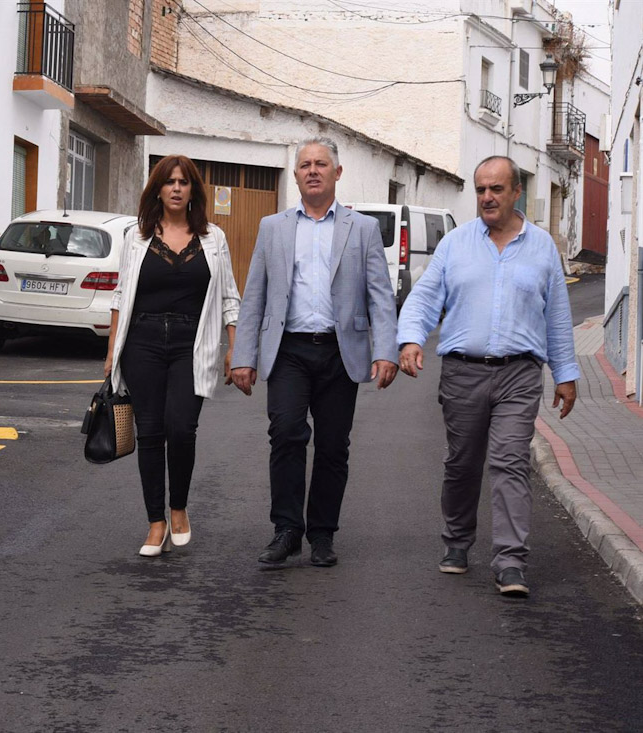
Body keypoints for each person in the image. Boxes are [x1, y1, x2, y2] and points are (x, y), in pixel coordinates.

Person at [397, 155, 579, 598]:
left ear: (516, 192)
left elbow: (556, 316)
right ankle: (457, 543)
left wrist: (567, 373)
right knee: (462, 464)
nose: (487, 197)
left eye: (496, 189)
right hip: (463, 373)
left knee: (510, 462)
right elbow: (423, 299)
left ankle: (511, 560)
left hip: (519, 374)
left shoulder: (541, 249)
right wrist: (410, 340)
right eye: (480, 190)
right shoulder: (456, 244)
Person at [230, 136, 397, 569]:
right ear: (297, 175)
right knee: (285, 434)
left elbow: (380, 295)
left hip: (342, 352)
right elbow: (255, 296)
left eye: (321, 164)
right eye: (305, 164)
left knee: (333, 446)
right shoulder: (274, 227)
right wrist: (242, 357)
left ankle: (322, 533)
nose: (313, 170)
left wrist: (387, 351)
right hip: (289, 349)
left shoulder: (362, 230)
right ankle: (286, 530)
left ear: (337, 173)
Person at [105, 154, 241, 557]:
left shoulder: (214, 238)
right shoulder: (137, 236)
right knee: (150, 432)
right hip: (142, 341)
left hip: (191, 342)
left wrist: (235, 347)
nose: (177, 188)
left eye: (184, 182)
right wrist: (112, 351)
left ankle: (178, 507)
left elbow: (230, 296)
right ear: (158, 189)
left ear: (193, 190)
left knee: (182, 428)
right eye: (169, 182)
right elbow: (120, 294)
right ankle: (155, 522)